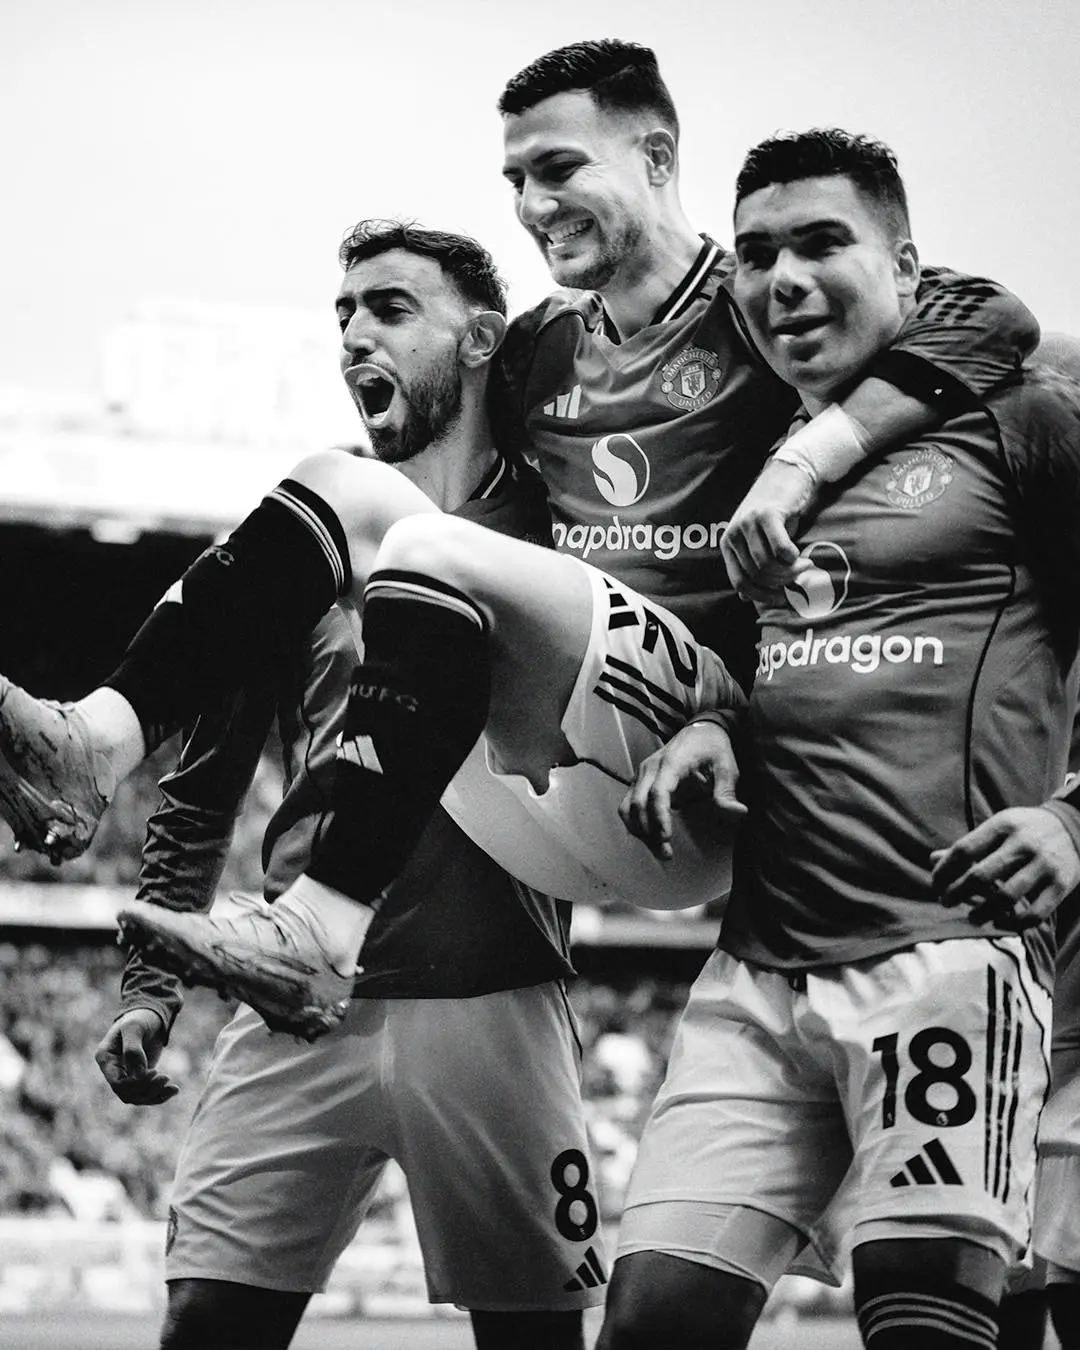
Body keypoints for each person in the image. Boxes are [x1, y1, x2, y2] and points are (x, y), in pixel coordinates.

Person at [0, 42, 1039, 1039]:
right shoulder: (542, 346)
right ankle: (97, 742)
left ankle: (324, 926)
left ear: (657, 158)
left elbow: (992, 314)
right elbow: (421, 436)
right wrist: (378, 361)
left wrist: (803, 460)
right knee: (342, 486)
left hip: (705, 759)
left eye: (559, 168)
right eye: (515, 180)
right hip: (558, 779)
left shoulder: (760, 305)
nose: (534, 205)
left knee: (427, 550)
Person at [603, 129, 1080, 1350]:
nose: (784, 279)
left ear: (908, 267)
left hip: (944, 948)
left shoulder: (1025, 421)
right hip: (754, 971)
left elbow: (1003, 314)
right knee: (650, 1325)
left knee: (924, 1324)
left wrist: (1074, 818)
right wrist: (717, 726)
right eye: (756, 253)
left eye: (822, 243)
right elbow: (780, 659)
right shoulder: (756, 461)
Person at [93, 221, 605, 1350]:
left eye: (390, 308)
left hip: (494, 997)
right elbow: (203, 785)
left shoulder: (559, 534)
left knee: (534, 1342)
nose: (355, 334)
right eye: (344, 314)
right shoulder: (300, 547)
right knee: (205, 1325)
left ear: (481, 339)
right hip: (296, 1004)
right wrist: (149, 989)